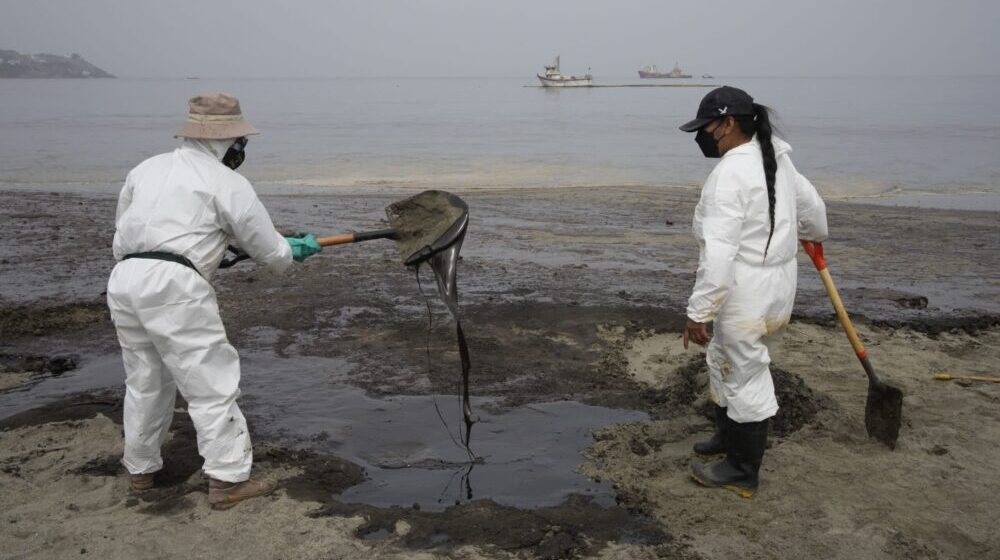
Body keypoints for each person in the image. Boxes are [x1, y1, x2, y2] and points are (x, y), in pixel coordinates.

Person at [106, 93, 323, 510]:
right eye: (241, 142)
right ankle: (227, 482)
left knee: (145, 380)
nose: (243, 150)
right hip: (175, 287)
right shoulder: (227, 182)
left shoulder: (145, 169)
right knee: (211, 382)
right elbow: (271, 254)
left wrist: (211, 249)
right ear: (231, 142)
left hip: (126, 278)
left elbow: (127, 234)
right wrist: (293, 249)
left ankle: (141, 472)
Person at [678, 86, 828, 498]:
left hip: (744, 287)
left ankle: (743, 470)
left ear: (728, 123)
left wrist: (700, 311)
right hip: (778, 284)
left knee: (746, 372)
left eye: (705, 128)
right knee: (726, 357)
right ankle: (727, 438)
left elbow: (720, 254)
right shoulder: (779, 159)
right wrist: (808, 235)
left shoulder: (730, 173)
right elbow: (815, 216)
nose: (702, 137)